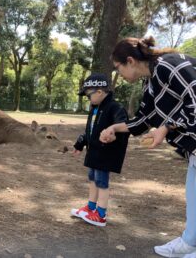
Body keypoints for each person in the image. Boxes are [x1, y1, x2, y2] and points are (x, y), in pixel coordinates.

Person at [100, 36, 196, 257]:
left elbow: (195, 98)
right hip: (193, 147)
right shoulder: (151, 82)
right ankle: (189, 242)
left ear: (130, 61)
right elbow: (144, 118)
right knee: (193, 194)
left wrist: (168, 127)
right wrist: (115, 128)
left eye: (118, 68)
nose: (119, 75)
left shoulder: (167, 65)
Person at [70, 73, 129, 227]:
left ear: (99, 92)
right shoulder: (96, 108)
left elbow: (125, 126)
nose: (88, 99)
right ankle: (91, 208)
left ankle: (101, 214)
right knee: (92, 178)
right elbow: (91, 130)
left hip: (106, 153)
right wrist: (81, 142)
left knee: (102, 182)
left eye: (88, 95)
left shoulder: (114, 107)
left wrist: (113, 134)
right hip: (94, 152)